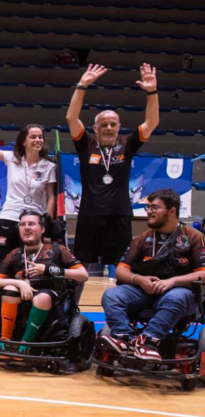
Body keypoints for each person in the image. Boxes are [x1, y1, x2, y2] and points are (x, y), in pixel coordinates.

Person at [66, 63, 160, 269]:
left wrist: (152, 92)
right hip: (89, 215)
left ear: (119, 127)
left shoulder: (128, 145)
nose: (108, 128)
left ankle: (121, 292)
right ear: (95, 128)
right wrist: (82, 86)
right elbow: (71, 117)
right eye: (104, 124)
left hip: (119, 216)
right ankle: (75, 293)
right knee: (80, 266)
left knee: (121, 266)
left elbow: (152, 122)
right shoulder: (85, 144)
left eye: (113, 124)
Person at [100, 188, 204, 361]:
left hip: (179, 293)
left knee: (175, 297)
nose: (149, 211)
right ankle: (124, 339)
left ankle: (147, 343)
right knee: (111, 295)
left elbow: (203, 274)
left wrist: (172, 282)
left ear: (172, 211)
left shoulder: (194, 237)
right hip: (144, 292)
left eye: (154, 207)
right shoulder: (142, 238)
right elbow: (121, 270)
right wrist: (139, 279)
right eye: (148, 207)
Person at [0, 210, 87, 352]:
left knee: (42, 297)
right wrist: (20, 283)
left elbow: (83, 275)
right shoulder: (14, 253)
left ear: (42, 229)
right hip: (21, 294)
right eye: (23, 224)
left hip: (50, 296)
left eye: (31, 224)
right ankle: (5, 341)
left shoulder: (58, 249)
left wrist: (51, 270)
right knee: (9, 289)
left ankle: (26, 344)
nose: (26, 228)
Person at [0, 102, 58, 272]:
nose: (38, 140)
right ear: (23, 141)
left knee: (28, 266)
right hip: (10, 216)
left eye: (40, 137)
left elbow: (51, 197)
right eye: (33, 137)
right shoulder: (12, 158)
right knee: (2, 264)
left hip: (34, 221)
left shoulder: (49, 166)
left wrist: (48, 224)